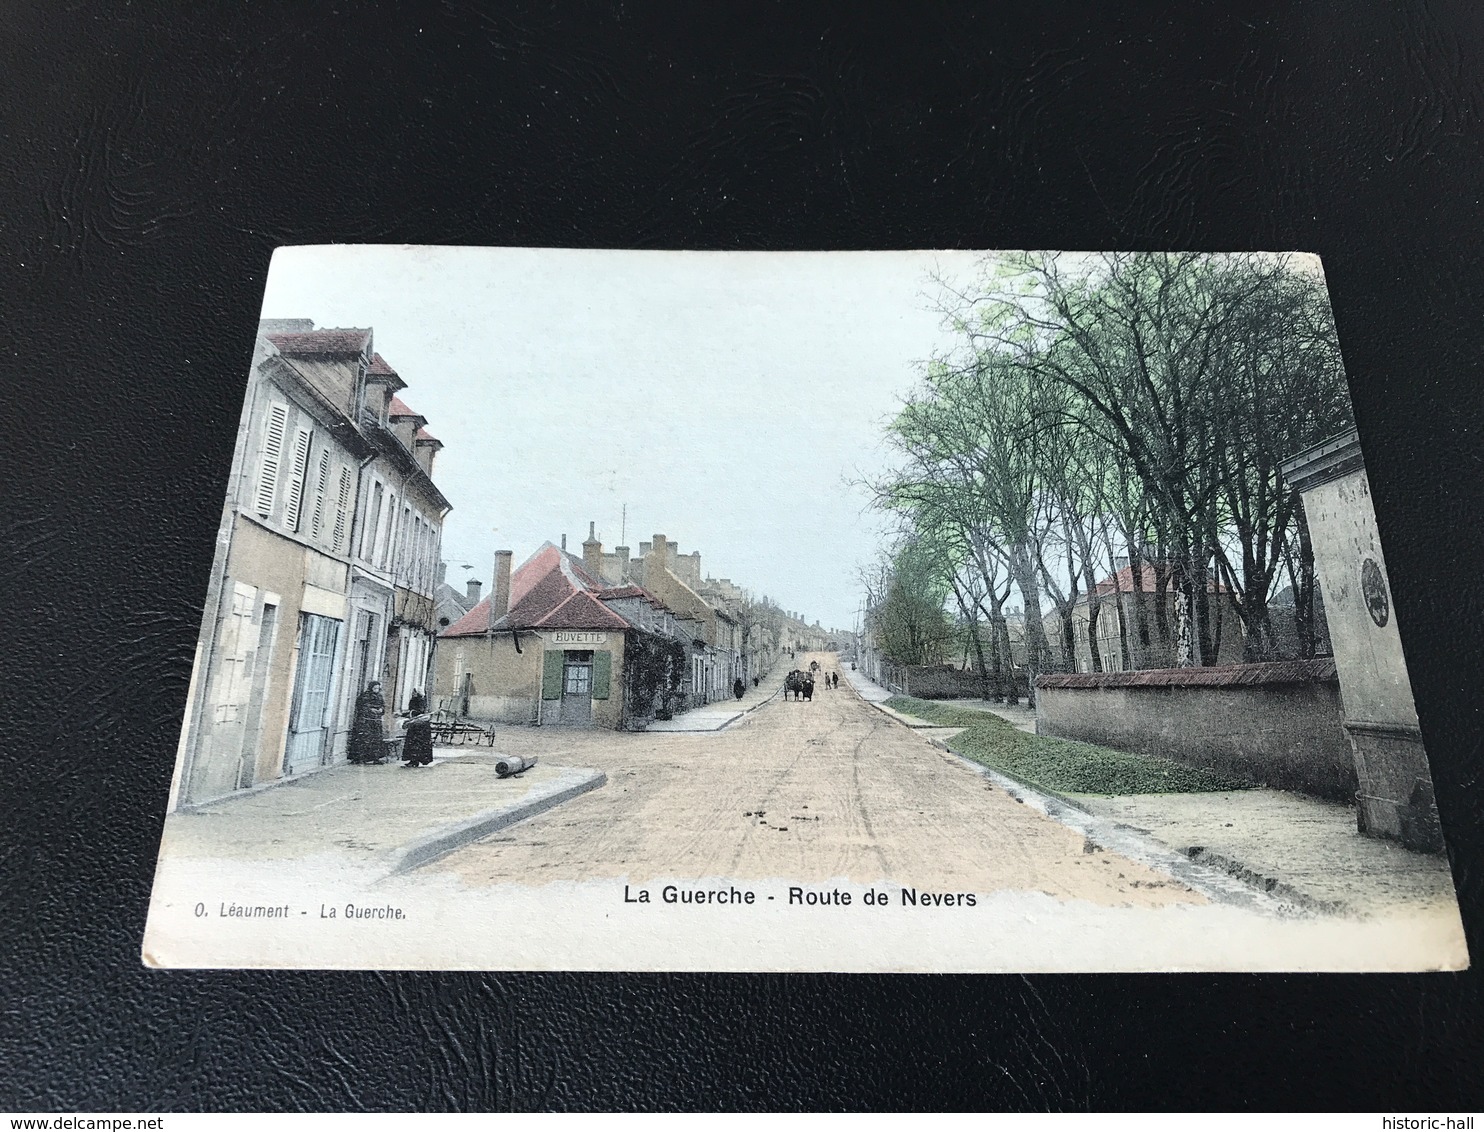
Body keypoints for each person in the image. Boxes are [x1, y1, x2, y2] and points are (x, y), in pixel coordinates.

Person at [348, 680, 386, 764]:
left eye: (378, 688)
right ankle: (361, 758)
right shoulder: (365, 696)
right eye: (375, 688)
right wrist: (370, 710)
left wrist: (381, 709)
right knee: (365, 739)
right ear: (371, 688)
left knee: (376, 740)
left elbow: (383, 706)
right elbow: (361, 706)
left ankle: (376, 758)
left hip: (376, 721)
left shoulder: (379, 696)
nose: (376, 690)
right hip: (366, 721)